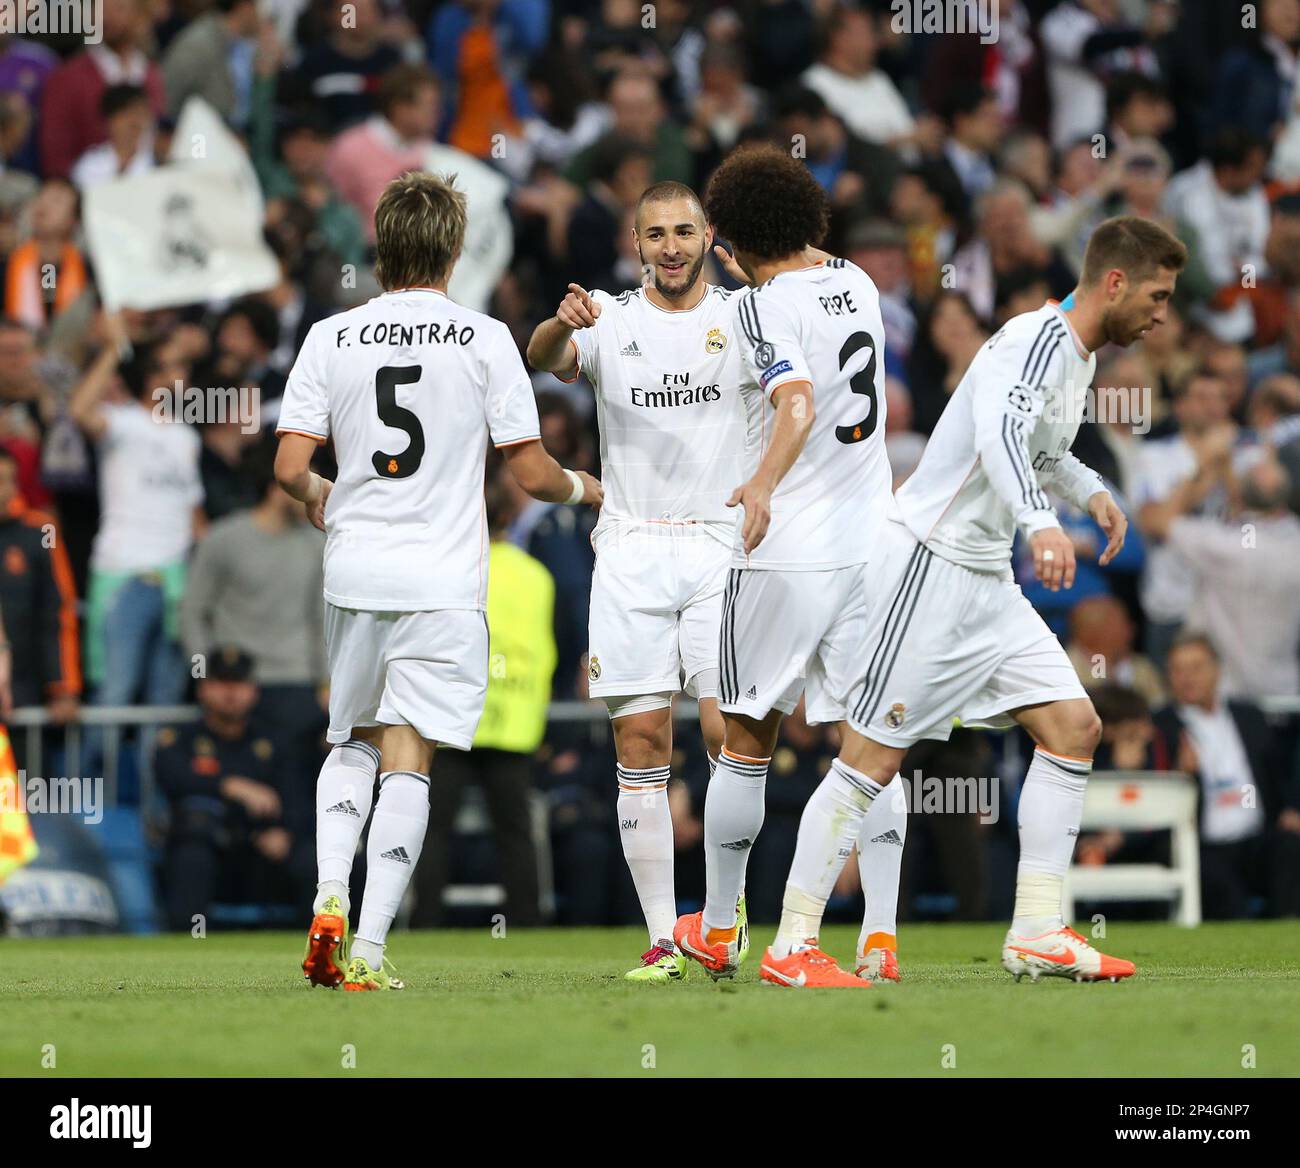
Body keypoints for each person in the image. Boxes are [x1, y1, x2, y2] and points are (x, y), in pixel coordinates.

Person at [759, 216, 1187, 988]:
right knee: (870, 760)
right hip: (929, 565)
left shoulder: (1076, 355)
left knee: (1073, 726)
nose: (1162, 313)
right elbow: (998, 432)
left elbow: (1041, 449)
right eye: (1157, 295)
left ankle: (1037, 930)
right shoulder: (1038, 340)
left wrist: (1094, 493)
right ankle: (792, 943)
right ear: (1115, 282)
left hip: (986, 579)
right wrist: (1042, 523)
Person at [275, 170, 601, 992]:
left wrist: (324, 495)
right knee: (408, 758)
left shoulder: (329, 335)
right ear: (456, 250)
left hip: (355, 570)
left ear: (381, 247)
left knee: (349, 740)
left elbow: (288, 467)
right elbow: (528, 472)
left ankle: (326, 897)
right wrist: (592, 489)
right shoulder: (487, 338)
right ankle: (373, 950)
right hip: (445, 581)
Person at [669, 142, 906, 988]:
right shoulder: (861, 284)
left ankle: (722, 925)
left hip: (788, 549)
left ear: (727, 244)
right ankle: (879, 936)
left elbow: (796, 402)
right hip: (874, 547)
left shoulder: (754, 309)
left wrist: (762, 483)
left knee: (748, 736)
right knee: (873, 739)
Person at [526, 178, 746, 981]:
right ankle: (663, 937)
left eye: (684, 231)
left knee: (730, 730)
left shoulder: (742, 317)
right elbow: (543, 360)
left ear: (707, 234)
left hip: (721, 544)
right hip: (629, 548)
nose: (672, 247)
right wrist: (560, 320)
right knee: (641, 741)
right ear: (635, 240)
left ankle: (722, 915)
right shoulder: (610, 319)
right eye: (656, 234)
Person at [157, 646, 310, 932]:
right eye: (220, 683)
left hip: (264, 854)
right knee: (192, 846)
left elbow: (298, 796)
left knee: (313, 857)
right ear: (203, 689)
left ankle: (319, 949)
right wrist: (228, 786)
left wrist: (286, 832)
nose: (230, 693)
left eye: (238, 683)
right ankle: (186, 943)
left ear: (253, 690)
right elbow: (172, 779)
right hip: (212, 851)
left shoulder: (275, 741)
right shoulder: (180, 738)